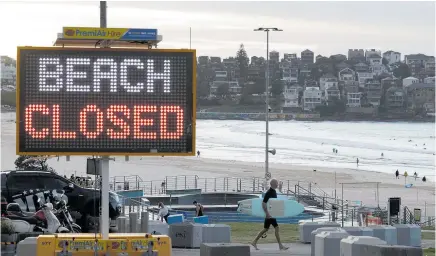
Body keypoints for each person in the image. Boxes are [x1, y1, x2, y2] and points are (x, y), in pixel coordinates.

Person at [251, 179, 288, 251]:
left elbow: (274, 202)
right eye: (276, 183)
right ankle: (280, 245)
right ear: (273, 184)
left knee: (266, 229)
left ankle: (254, 242)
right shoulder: (269, 192)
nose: (277, 184)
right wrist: (267, 213)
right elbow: (263, 203)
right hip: (270, 214)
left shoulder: (273, 191)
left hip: (271, 213)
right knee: (276, 228)